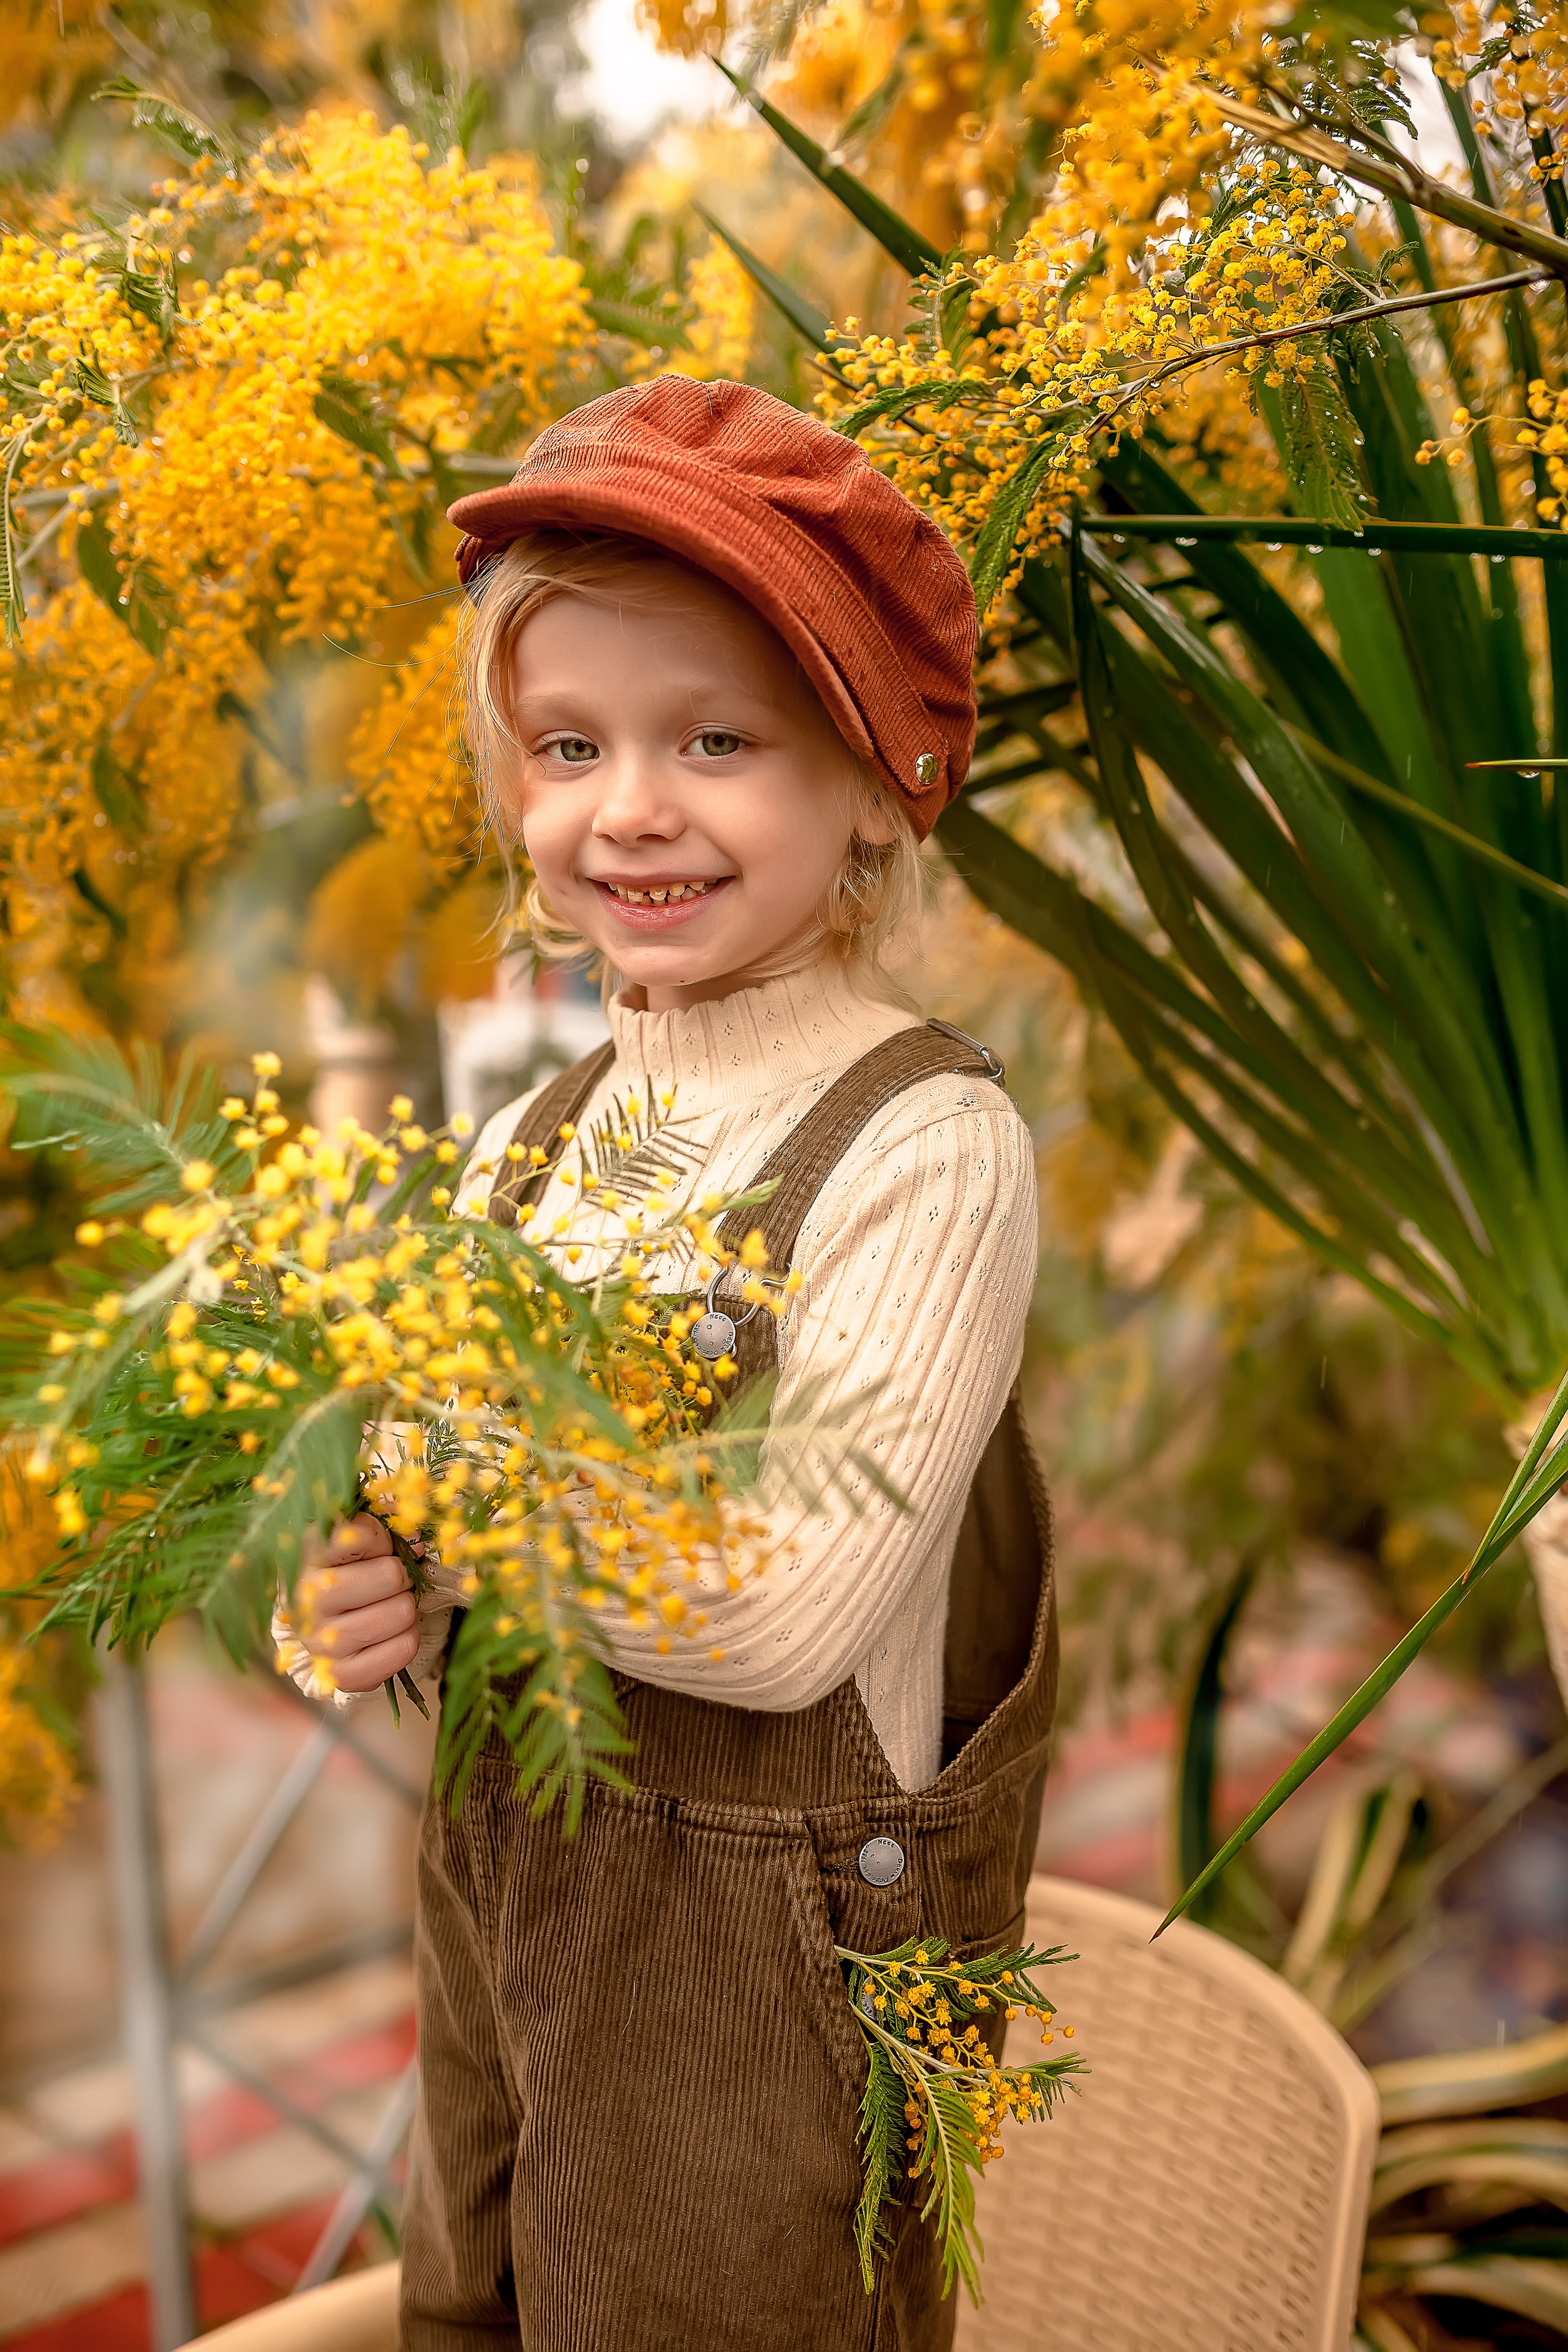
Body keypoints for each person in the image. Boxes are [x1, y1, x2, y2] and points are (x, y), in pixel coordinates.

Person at [285, 377, 1056, 2351]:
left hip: (765, 2016)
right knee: (472, 2311)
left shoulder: (924, 1146)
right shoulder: (525, 1141)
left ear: (878, 780)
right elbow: (417, 1529)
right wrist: (351, 1592)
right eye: (568, 746)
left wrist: (443, 1489)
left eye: (717, 739)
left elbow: (777, 1609)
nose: (628, 806)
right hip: (511, 1948)